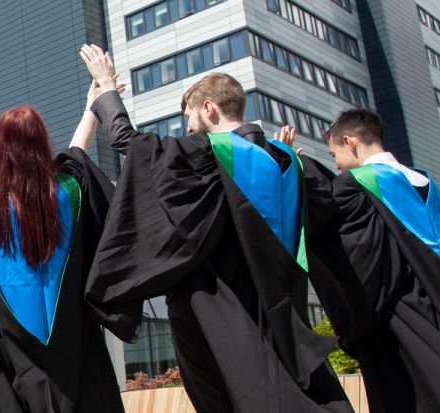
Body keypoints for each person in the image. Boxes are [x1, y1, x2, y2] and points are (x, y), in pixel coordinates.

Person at [77, 45, 352, 413]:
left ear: (210, 109)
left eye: (189, 118)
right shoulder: (286, 162)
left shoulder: (209, 154)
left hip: (216, 306)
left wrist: (107, 89)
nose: (187, 130)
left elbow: (133, 144)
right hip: (279, 309)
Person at [296, 108, 440, 412]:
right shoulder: (429, 185)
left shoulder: (357, 187)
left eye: (334, 153)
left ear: (350, 142)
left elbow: (334, 234)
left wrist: (294, 168)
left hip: (405, 316)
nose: (336, 164)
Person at [0, 69, 126, 412]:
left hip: (8, 357)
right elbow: (77, 151)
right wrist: (91, 107)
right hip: (74, 352)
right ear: (41, 143)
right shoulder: (68, 192)